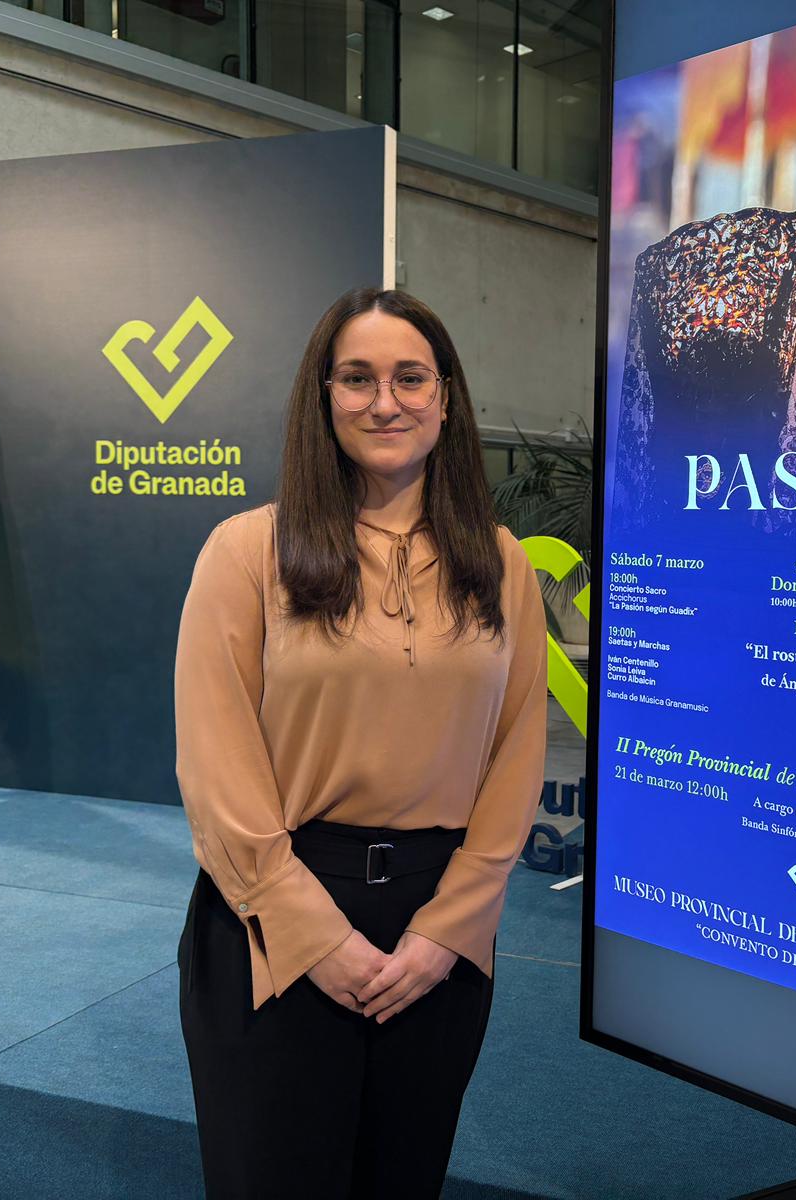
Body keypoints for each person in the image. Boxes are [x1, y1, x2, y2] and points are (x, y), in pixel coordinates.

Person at [173, 286, 549, 1198]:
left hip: (436, 935)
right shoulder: (247, 551)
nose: (386, 401)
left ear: (446, 398)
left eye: (410, 377)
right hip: (275, 922)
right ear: (324, 396)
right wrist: (311, 934)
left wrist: (449, 931)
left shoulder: (501, 563)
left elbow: (517, 752)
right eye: (358, 378)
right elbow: (217, 763)